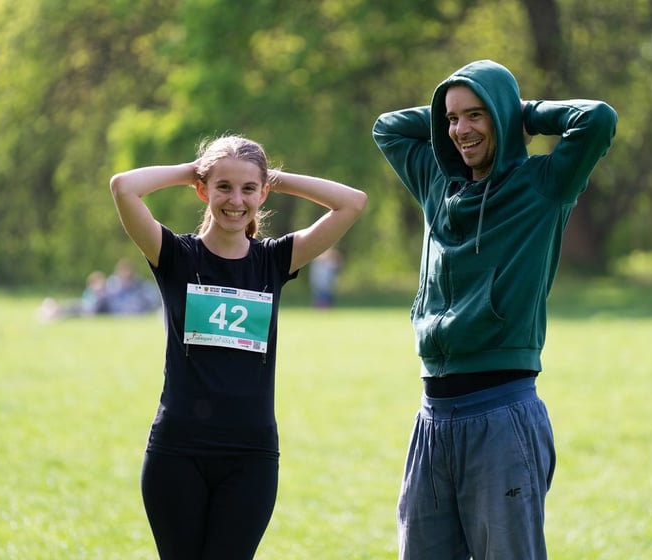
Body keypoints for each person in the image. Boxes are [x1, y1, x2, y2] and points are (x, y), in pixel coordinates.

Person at [372, 59, 617, 559]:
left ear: (503, 119)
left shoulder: (543, 186)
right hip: (432, 419)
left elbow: (597, 118)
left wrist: (517, 112)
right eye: (452, 118)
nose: (461, 130)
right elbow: (388, 127)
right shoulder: (435, 184)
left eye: (477, 116)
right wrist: (459, 113)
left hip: (501, 414)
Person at [109, 134, 367, 560]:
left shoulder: (275, 260)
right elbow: (123, 187)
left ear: (263, 193)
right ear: (203, 190)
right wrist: (193, 171)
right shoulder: (174, 255)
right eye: (223, 186)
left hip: (251, 457)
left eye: (249, 188)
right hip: (178, 452)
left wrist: (275, 178)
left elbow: (352, 202)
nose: (236, 200)